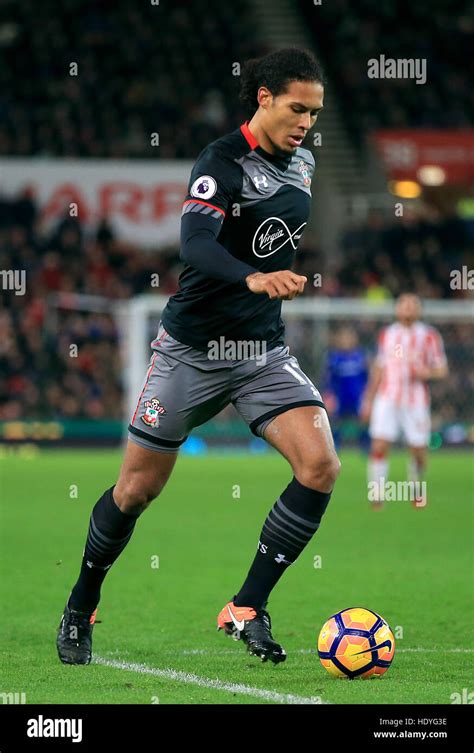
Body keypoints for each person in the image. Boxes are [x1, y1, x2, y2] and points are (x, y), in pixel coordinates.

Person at [57, 47, 341, 666]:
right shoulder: (220, 162)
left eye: (315, 113)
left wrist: (263, 286)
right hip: (191, 351)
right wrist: (252, 278)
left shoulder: (305, 165)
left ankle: (246, 608)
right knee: (135, 491)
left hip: (261, 350)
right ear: (263, 97)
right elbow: (195, 245)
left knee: (320, 465)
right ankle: (81, 604)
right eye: (298, 109)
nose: (307, 123)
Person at [360, 293, 448, 509]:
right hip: (387, 398)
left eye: (412, 305)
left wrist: (425, 372)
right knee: (379, 444)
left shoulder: (429, 336)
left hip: (416, 401)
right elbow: (379, 368)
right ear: (397, 309)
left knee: (418, 449)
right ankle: (377, 495)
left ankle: (416, 490)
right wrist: (368, 399)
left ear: (419, 310)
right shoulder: (387, 334)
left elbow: (442, 369)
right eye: (403, 304)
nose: (407, 308)